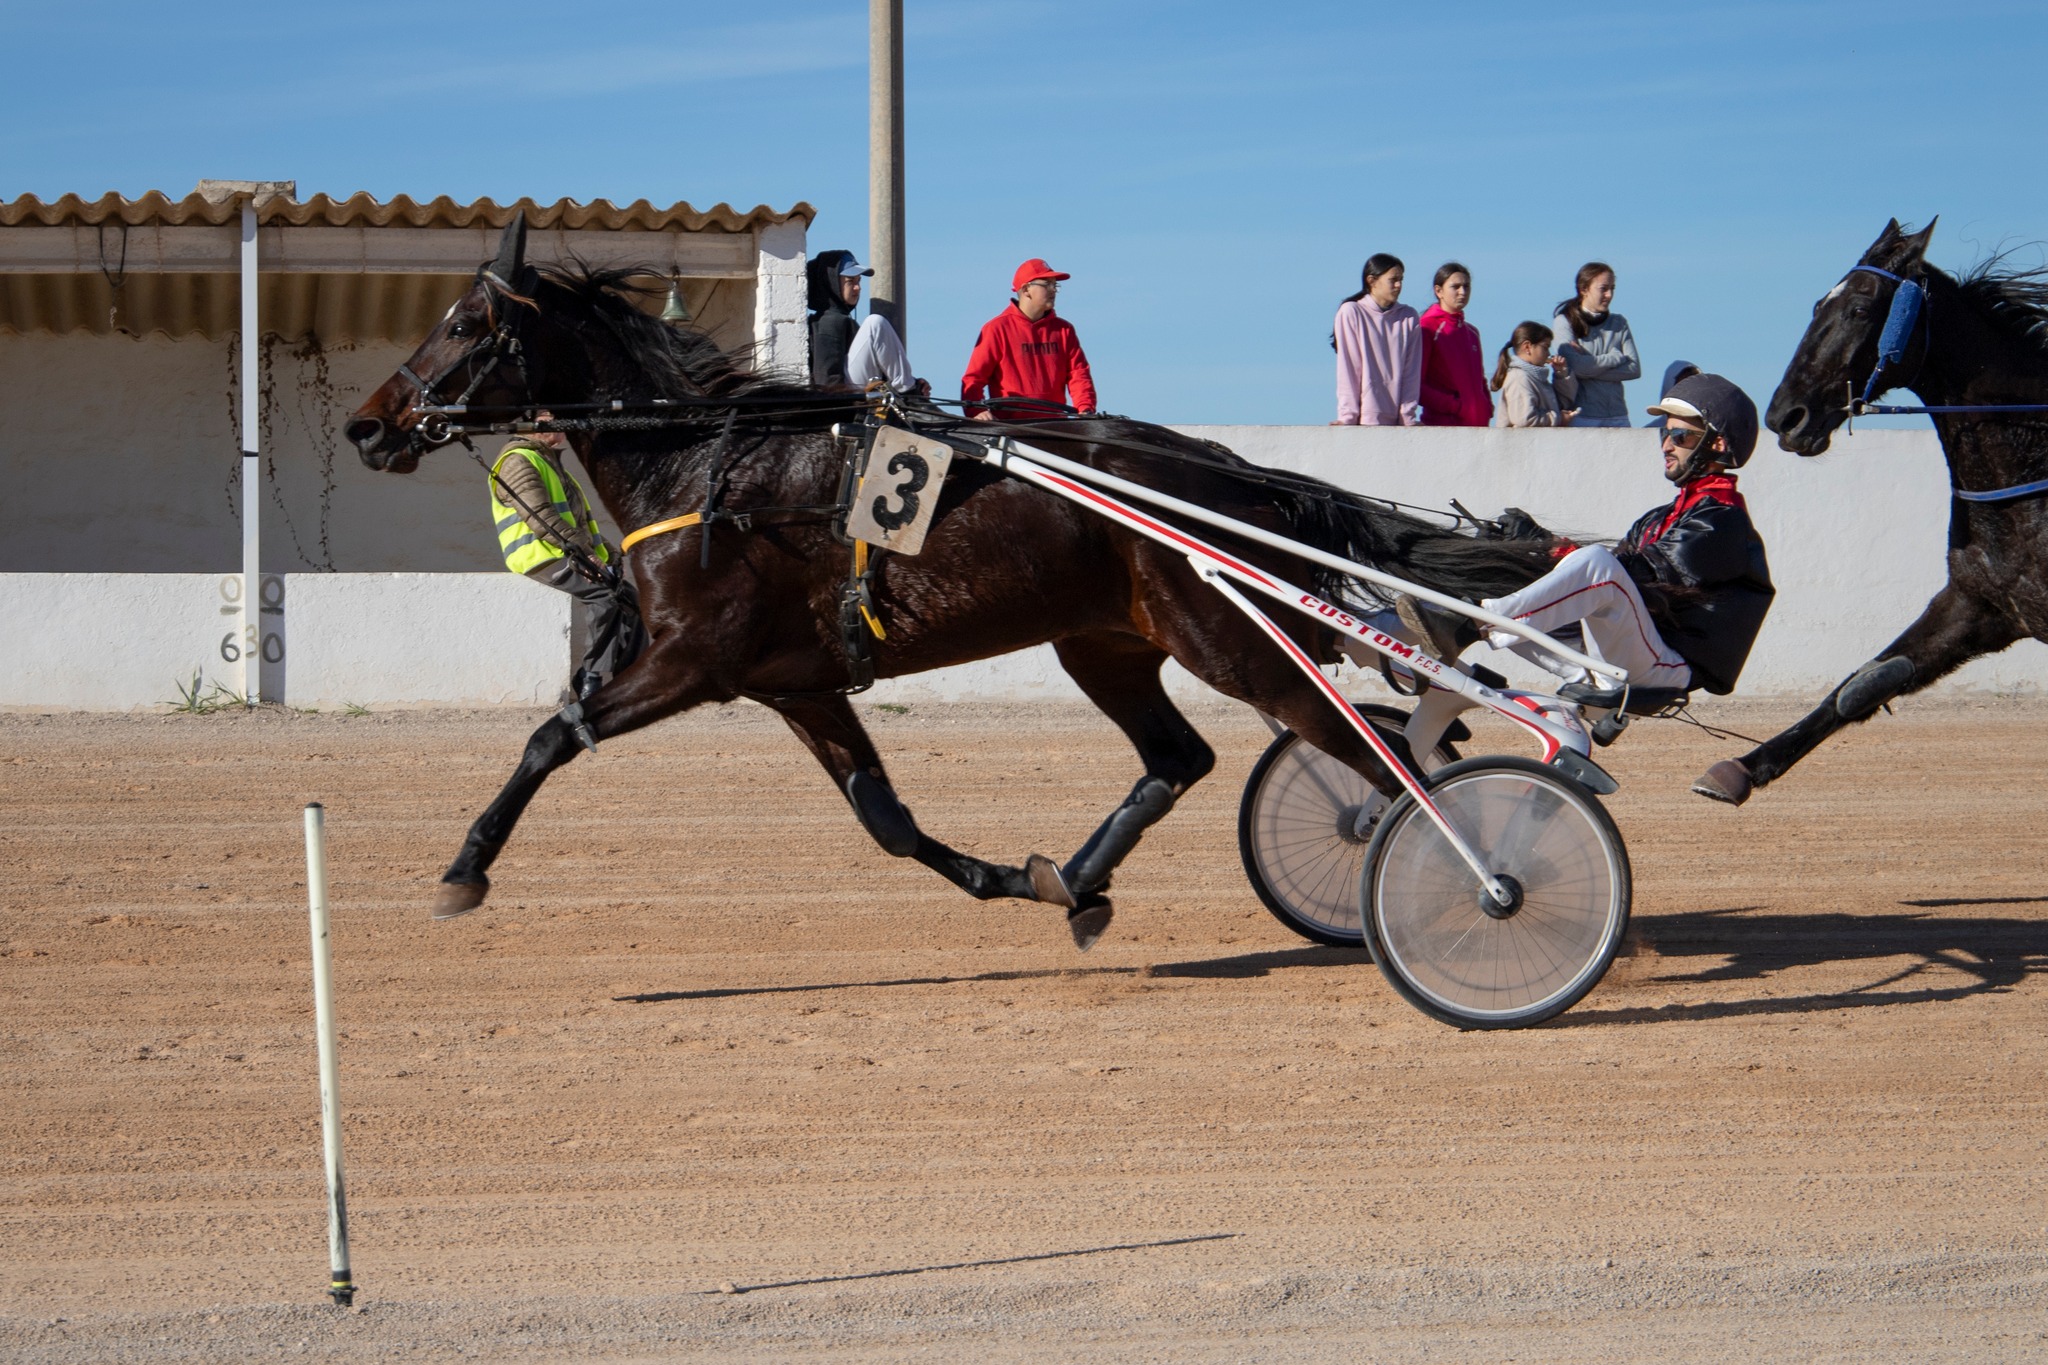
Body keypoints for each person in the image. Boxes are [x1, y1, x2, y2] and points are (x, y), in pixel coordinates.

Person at [1398, 372, 1774, 700]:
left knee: (1597, 563)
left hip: (1665, 665)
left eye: (1680, 435)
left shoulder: (1723, 522)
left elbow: (1637, 575)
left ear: (1718, 444)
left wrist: (1547, 546)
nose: (1666, 445)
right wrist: (1525, 550)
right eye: (1665, 433)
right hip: (1618, 651)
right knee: (1504, 573)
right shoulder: (1660, 517)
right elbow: (1606, 581)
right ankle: (1388, 631)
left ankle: (1467, 627)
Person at [489, 426, 643, 701]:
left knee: (631, 601)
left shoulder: (553, 464)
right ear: (531, 424)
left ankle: (629, 677)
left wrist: (611, 554)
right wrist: (584, 554)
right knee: (604, 598)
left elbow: (581, 522)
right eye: (552, 418)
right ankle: (591, 679)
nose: (561, 426)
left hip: (566, 553)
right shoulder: (517, 461)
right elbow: (541, 517)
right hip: (540, 556)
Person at [961, 258, 1097, 420]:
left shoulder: (1064, 330)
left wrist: (1085, 408)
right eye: (1047, 284)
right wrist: (976, 411)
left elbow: (1078, 374)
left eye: (1055, 285)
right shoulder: (996, 329)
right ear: (1026, 289)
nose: (1053, 290)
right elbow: (974, 378)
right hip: (1010, 429)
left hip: (1057, 427)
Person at [1331, 253, 1421, 426]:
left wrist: (1407, 418)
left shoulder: (1409, 317)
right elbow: (1349, 367)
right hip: (1364, 420)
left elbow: (1412, 373)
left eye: (1401, 279)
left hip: (1398, 422)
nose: (1399, 285)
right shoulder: (1351, 312)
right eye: (1393, 280)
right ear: (1372, 281)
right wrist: (1348, 417)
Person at [1550, 261, 1640, 428]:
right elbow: (1574, 367)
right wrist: (1614, 358)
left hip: (1617, 414)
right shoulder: (1564, 322)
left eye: (1612, 288)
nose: (1609, 295)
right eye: (1603, 289)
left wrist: (1588, 364)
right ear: (1584, 289)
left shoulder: (1619, 323)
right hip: (1581, 415)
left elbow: (1634, 369)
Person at [1417, 262, 1492, 427]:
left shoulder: (1472, 333)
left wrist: (1487, 406)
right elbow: (1417, 384)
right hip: (1444, 428)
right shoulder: (1427, 328)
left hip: (1479, 427)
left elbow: (1480, 379)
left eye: (1466, 286)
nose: (1462, 292)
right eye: (1455, 287)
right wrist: (1455, 406)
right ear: (1439, 291)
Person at [1490, 321, 1579, 427]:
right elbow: (1525, 419)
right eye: (1545, 347)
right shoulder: (1519, 378)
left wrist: (1561, 374)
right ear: (1527, 347)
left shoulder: (1536, 378)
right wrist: (1558, 419)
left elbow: (1562, 403)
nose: (1548, 353)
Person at [805, 249, 871, 389]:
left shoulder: (838, 320)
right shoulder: (830, 323)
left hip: (851, 402)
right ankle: (907, 387)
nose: (857, 288)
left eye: (859, 281)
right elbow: (828, 381)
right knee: (876, 323)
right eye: (850, 281)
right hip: (844, 406)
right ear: (831, 283)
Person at [1643, 360, 1699, 428]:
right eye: (1681, 384)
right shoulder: (1651, 431)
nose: (1687, 389)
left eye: (1692, 383)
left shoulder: (1712, 428)